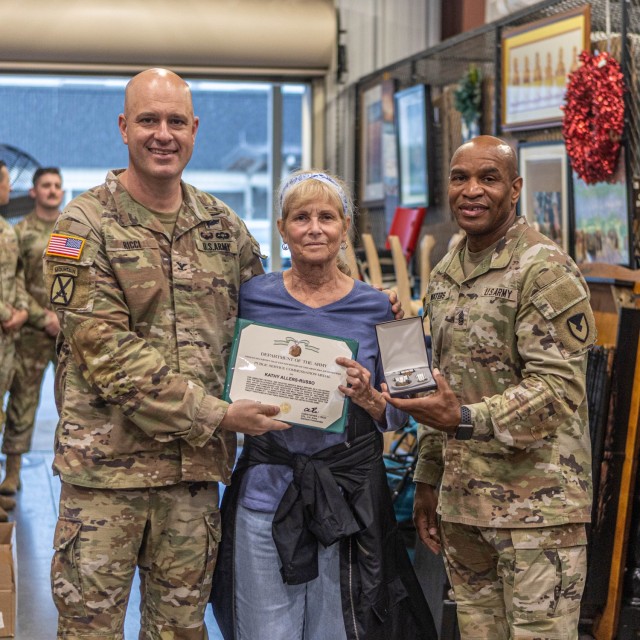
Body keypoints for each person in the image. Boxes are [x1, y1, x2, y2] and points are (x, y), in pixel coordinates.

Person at [43, 68, 293, 639]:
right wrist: (218, 415)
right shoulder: (79, 229)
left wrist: (349, 301)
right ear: (123, 127)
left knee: (180, 632)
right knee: (89, 632)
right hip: (105, 481)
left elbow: (269, 315)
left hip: (191, 481)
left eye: (175, 121)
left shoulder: (222, 227)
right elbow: (107, 353)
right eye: (149, 120)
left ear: (195, 129)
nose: (163, 134)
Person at [385, 136, 596, 639]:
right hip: (466, 507)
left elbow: (557, 389)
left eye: (489, 178)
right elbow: (442, 389)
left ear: (515, 188)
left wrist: (465, 419)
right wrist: (429, 479)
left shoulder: (543, 268)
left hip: (536, 511)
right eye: (460, 178)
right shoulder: (447, 273)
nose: (471, 190)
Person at [211, 170, 437, 640]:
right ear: (282, 228)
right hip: (265, 495)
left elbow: (412, 405)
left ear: (345, 227)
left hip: (349, 503)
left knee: (338, 631)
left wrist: (372, 398)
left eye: (327, 217)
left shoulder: (385, 309)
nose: (314, 228)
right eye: (301, 217)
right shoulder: (250, 297)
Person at [0, 168, 64, 496]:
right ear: (34, 192)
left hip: (68, 335)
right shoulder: (19, 233)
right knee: (22, 403)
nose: (53, 191)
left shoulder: (75, 230)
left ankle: (73, 470)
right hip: (31, 333)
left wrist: (65, 319)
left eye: (57, 186)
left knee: (75, 403)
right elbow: (15, 283)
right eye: (46, 186)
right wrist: (42, 317)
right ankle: (12, 471)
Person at [0, 159, 29, 521]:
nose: (8, 187)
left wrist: (21, 310)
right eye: (4, 180)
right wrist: (8, 315)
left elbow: (17, 277)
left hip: (6, 345)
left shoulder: (8, 233)